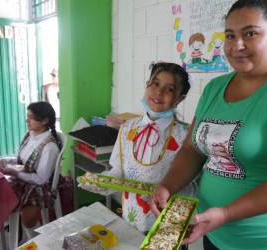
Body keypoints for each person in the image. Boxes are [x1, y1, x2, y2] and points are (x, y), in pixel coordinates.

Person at [150, 0, 267, 249]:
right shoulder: (214, 88)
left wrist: (225, 214)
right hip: (216, 232)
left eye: (250, 33)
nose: (237, 45)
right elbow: (193, 149)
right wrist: (167, 186)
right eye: (230, 35)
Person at [81, 62, 199, 234]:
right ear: (147, 85)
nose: (159, 92)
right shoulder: (128, 128)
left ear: (180, 98)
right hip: (132, 216)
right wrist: (103, 182)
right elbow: (119, 172)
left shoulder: (187, 136)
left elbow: (195, 184)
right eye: (155, 84)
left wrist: (169, 194)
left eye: (170, 89)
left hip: (168, 221)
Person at [0, 101, 61, 240]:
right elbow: (22, 160)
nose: (27, 120)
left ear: (45, 120)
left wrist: (14, 173)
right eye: (28, 116)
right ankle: (14, 225)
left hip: (41, 185)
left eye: (31, 117)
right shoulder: (30, 135)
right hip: (25, 178)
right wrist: (7, 161)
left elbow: (41, 179)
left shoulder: (49, 147)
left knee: (28, 218)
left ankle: (40, 242)